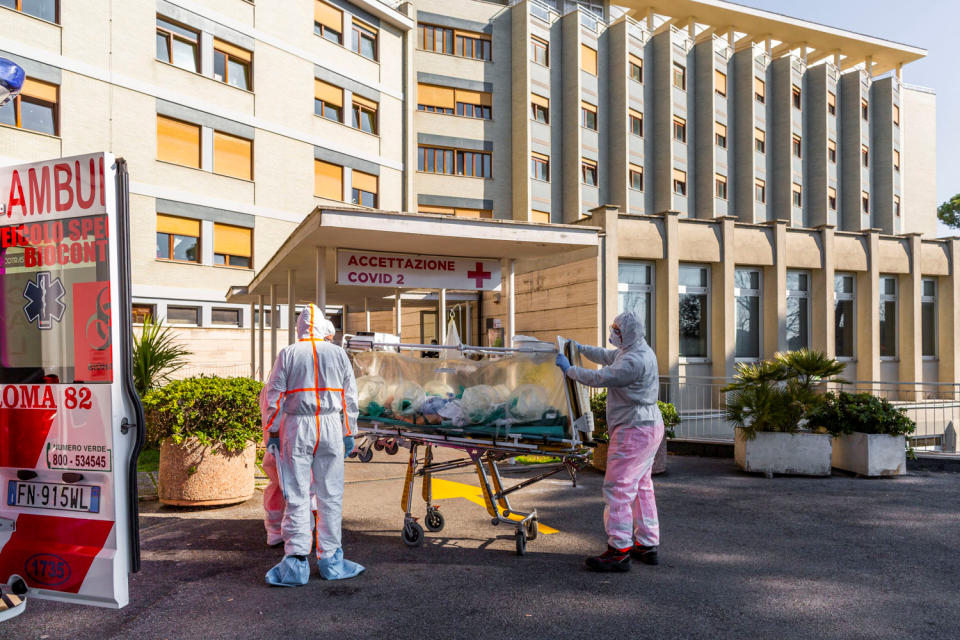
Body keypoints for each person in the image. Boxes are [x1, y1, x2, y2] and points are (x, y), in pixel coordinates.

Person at [262, 304, 364, 585]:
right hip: (331, 426)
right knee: (330, 496)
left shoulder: (289, 354)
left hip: (297, 428)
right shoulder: (338, 354)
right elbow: (350, 397)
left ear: (299, 327)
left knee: (296, 494)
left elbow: (274, 396)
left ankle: (296, 563)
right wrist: (349, 431)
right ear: (323, 326)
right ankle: (332, 560)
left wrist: (271, 431)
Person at [555, 310, 663, 572]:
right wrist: (579, 349)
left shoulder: (634, 360)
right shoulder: (634, 349)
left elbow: (601, 378)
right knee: (641, 486)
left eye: (617, 329)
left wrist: (571, 371)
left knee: (618, 488)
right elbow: (605, 356)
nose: (613, 332)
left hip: (634, 429)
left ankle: (619, 550)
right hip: (646, 426)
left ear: (629, 332)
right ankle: (647, 543)